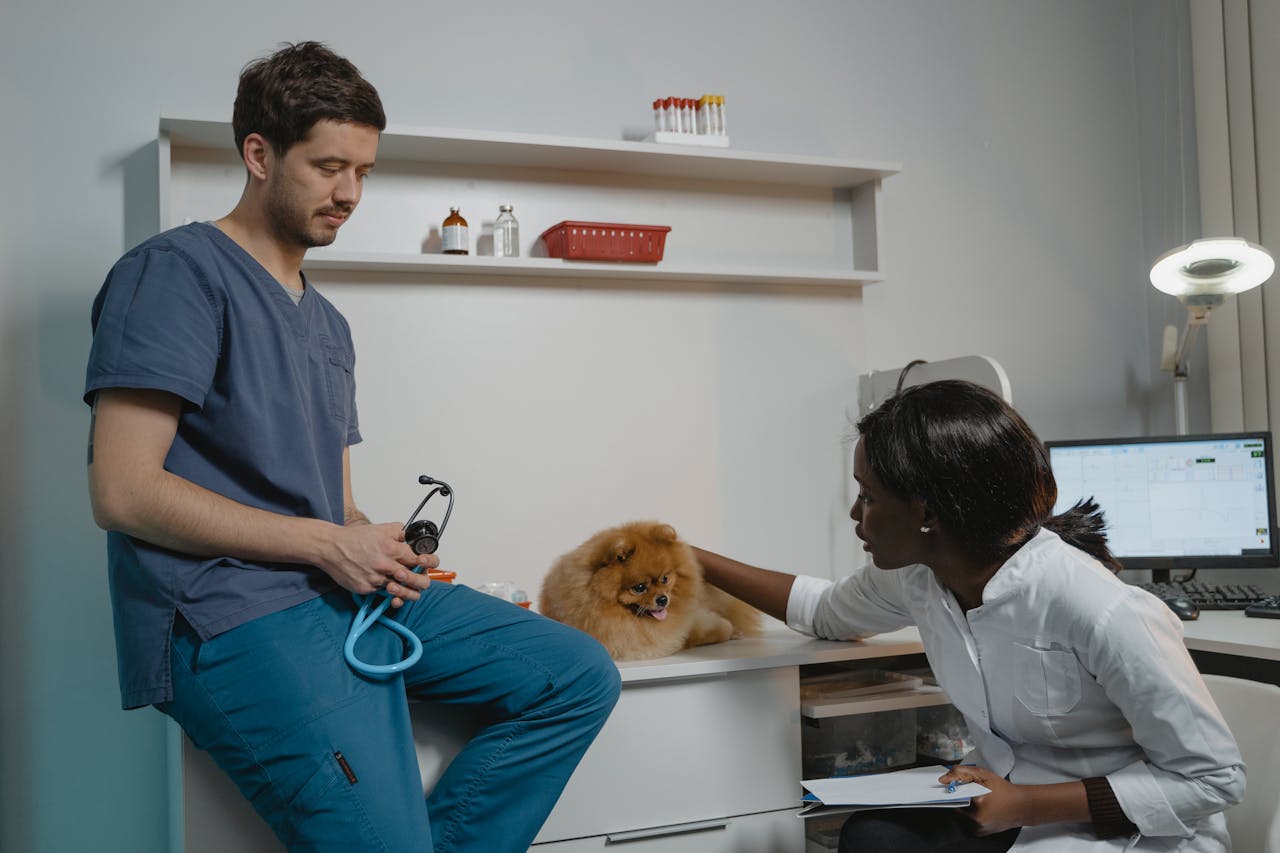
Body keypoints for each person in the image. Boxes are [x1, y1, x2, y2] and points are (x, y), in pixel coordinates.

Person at [84, 41, 619, 853]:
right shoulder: (174, 274)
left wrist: (378, 544)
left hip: (333, 593)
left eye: (364, 170)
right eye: (330, 166)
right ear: (258, 154)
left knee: (579, 677)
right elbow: (122, 491)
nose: (350, 193)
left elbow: (334, 505)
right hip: (228, 614)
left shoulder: (327, 324)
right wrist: (332, 543)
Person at [694, 380, 1243, 853]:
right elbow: (822, 610)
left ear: (928, 512)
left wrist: (1024, 804)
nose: (856, 516)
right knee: (874, 837)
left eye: (868, 497)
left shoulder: (1099, 609)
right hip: (1003, 803)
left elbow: (1213, 781)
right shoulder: (919, 577)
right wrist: (686, 557)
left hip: (1125, 831)